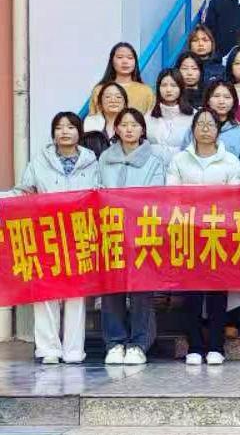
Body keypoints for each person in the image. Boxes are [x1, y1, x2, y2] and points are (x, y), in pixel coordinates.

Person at [2, 112, 99, 364]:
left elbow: (100, 196)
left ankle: (74, 350)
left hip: (79, 234)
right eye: (59, 127)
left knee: (76, 294)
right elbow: (24, 192)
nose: (64, 131)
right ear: (53, 133)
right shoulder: (39, 162)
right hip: (47, 234)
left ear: (79, 132)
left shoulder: (92, 162)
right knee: (45, 291)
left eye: (70, 127)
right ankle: (48, 349)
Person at [166, 108, 240, 364]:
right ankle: (195, 346)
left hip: (219, 232)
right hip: (188, 231)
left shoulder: (230, 161)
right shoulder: (179, 160)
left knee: (218, 292)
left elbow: (235, 197)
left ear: (218, 131)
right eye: (201, 124)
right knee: (192, 293)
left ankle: (217, 347)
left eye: (211, 124)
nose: (206, 128)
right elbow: (171, 194)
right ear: (193, 129)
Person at [97, 108, 166, 364]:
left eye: (134, 125)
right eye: (124, 124)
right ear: (116, 129)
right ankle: (115, 342)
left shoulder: (154, 160)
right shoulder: (105, 158)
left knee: (141, 289)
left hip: (142, 230)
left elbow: (157, 194)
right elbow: (97, 189)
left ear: (142, 130)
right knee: (111, 286)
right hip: (111, 229)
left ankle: (139, 342)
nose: (128, 129)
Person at [88, 42, 155, 116]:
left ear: (135, 62)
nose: (125, 62)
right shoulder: (99, 90)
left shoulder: (146, 91)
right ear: (112, 61)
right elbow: (93, 118)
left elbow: (152, 119)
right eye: (120, 57)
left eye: (130, 58)